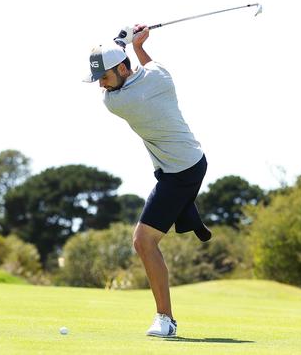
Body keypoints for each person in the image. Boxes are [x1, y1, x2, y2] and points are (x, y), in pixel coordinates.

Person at [84, 24, 212, 337]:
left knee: (143, 241)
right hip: (185, 164)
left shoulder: (118, 101)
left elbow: (131, 75)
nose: (101, 84)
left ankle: (165, 320)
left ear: (123, 68)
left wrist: (123, 42)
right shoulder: (160, 77)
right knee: (154, 227)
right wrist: (135, 44)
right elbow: (146, 66)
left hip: (180, 172)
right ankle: (188, 215)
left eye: (105, 76)